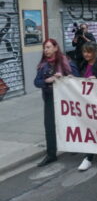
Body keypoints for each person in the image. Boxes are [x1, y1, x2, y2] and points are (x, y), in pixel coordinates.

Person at [34, 39, 75, 167]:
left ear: (56, 48)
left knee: (70, 123)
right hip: (50, 99)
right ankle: (51, 154)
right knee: (50, 126)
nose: (46, 50)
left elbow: (76, 77)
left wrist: (66, 78)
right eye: (44, 48)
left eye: (48, 47)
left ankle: (75, 147)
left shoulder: (65, 61)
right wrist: (47, 80)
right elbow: (36, 82)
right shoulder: (42, 65)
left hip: (66, 99)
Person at [76, 42, 97, 171]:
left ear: (95, 52)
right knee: (91, 128)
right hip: (86, 102)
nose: (86, 54)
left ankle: (88, 158)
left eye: (89, 52)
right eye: (84, 52)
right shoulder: (83, 64)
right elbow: (79, 81)